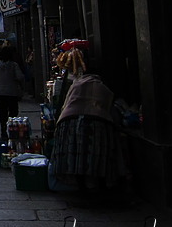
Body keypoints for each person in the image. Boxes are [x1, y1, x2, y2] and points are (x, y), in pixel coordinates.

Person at [49, 65, 127, 193]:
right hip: (97, 123)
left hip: (69, 120)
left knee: (75, 154)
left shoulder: (76, 85)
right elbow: (108, 109)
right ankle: (100, 186)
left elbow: (66, 104)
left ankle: (81, 187)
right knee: (97, 154)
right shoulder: (104, 88)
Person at [0, 46, 24, 139]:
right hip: (11, 92)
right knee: (13, 112)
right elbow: (20, 77)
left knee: (2, 113)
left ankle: (3, 130)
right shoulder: (14, 65)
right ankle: (11, 128)